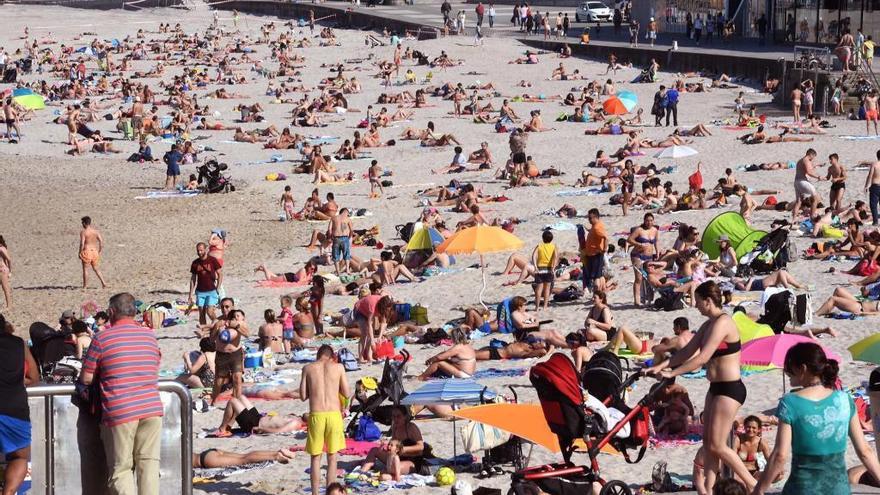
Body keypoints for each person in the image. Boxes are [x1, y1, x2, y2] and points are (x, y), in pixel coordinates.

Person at [647, 281, 755, 494]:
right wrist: (662, 364)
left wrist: (674, 373)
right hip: (715, 388)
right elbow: (687, 352)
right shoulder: (708, 324)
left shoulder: (723, 322)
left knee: (718, 445)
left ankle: (751, 483)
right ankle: (708, 488)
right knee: (709, 445)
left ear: (708, 301)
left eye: (697, 301)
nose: (694, 305)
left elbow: (703, 357)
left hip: (730, 388)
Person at [755, 342, 880, 494]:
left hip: (802, 489)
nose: (786, 373)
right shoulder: (844, 400)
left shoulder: (790, 403)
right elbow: (865, 451)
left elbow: (780, 456)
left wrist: (759, 490)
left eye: (789, 369)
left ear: (803, 368)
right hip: (837, 490)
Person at [80, 293, 163, 495]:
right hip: (152, 407)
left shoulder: (101, 338)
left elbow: (86, 378)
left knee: (121, 469)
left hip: (120, 410)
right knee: (149, 465)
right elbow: (155, 366)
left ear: (111, 312)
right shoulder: (149, 337)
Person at [299, 344, 350, 495]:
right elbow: (347, 393)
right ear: (332, 355)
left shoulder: (308, 368)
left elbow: (302, 396)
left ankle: (315, 493)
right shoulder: (339, 367)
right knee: (332, 457)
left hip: (317, 415)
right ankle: (331, 492)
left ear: (318, 355)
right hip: (334, 415)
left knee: (316, 458)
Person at [0, 314, 39, 495]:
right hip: (14, 408)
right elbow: (33, 377)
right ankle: (8, 493)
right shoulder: (18, 343)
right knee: (19, 457)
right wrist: (14, 380)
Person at [358, 406, 426, 476]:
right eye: (393, 416)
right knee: (374, 450)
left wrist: (403, 449)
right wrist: (387, 445)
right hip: (397, 457)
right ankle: (362, 472)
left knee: (392, 469)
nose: (395, 419)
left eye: (398, 416)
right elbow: (394, 442)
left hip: (412, 460)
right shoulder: (395, 426)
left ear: (405, 417)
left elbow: (421, 447)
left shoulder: (411, 428)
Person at [211, 309, 249, 405]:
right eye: (234, 315)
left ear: (243, 317)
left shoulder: (242, 324)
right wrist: (216, 327)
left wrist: (235, 325)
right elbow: (211, 338)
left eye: (238, 315)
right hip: (221, 354)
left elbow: (247, 334)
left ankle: (236, 402)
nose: (236, 317)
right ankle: (213, 401)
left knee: (237, 378)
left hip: (235, 354)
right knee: (219, 381)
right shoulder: (220, 322)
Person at [188, 242, 223, 326]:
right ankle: (204, 332)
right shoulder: (195, 263)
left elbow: (220, 274)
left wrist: (217, 288)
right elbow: (193, 279)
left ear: (206, 250)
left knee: (210, 311)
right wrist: (190, 294)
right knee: (201, 312)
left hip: (211, 290)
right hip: (200, 292)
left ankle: (218, 326)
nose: (199, 252)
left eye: (201, 250)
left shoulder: (212, 260)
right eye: (198, 251)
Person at [732, 415, 773, 483]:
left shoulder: (761, 442)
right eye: (748, 427)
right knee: (740, 481)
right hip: (740, 472)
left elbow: (770, 460)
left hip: (755, 473)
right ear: (744, 427)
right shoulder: (738, 440)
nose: (751, 430)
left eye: (754, 428)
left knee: (777, 475)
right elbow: (732, 458)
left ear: (759, 430)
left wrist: (777, 469)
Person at [354, 294, 393, 364]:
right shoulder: (373, 305)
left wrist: (380, 337)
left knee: (372, 334)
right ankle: (360, 358)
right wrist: (372, 341)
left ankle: (369, 357)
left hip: (368, 312)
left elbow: (384, 323)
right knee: (365, 334)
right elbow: (369, 324)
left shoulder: (387, 306)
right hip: (359, 310)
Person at [578, 208, 608, 293]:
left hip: (596, 255)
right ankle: (601, 293)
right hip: (594, 254)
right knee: (599, 275)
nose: (589, 220)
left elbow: (605, 238)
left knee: (595, 277)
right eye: (589, 218)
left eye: (590, 218)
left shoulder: (597, 228)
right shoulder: (596, 226)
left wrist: (604, 249)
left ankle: (597, 294)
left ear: (596, 217)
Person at [792, 148, 823, 222]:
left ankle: (793, 219)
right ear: (811, 154)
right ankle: (812, 217)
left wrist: (816, 165)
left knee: (798, 202)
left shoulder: (800, 160)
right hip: (802, 182)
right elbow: (809, 172)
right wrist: (818, 177)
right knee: (815, 198)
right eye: (813, 156)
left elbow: (807, 169)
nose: (813, 158)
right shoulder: (806, 160)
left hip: (796, 182)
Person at [531, 229, 558, 311]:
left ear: (543, 238)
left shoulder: (539, 246)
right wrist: (553, 268)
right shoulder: (553, 246)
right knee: (547, 289)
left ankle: (537, 307)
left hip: (540, 269)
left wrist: (535, 266)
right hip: (549, 269)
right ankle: (545, 306)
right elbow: (556, 257)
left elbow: (533, 256)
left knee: (538, 289)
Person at [79, 216, 107, 289]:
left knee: (85, 269)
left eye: (82, 223)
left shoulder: (83, 232)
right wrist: (99, 250)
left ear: (85, 223)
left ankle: (85, 286)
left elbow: (82, 243)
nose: (82, 224)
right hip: (94, 251)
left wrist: (80, 252)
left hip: (87, 251)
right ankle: (103, 283)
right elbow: (101, 241)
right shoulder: (95, 231)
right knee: (96, 268)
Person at [329, 208, 354, 275]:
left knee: (336, 255)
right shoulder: (348, 219)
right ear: (346, 212)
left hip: (336, 238)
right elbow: (352, 230)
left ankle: (338, 271)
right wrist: (349, 237)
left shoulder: (333, 218)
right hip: (345, 237)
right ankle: (348, 270)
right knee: (346, 254)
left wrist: (331, 237)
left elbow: (329, 230)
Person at [865, 149, 880, 226]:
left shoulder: (874, 164)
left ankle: (875, 221)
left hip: (875, 186)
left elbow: (870, 176)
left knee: (873, 205)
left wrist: (866, 186)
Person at [0, 235, 11, 310]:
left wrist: (10, 271)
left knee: (5, 288)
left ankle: (9, 306)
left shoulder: (1, 248)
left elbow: (9, 259)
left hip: (2, 270)